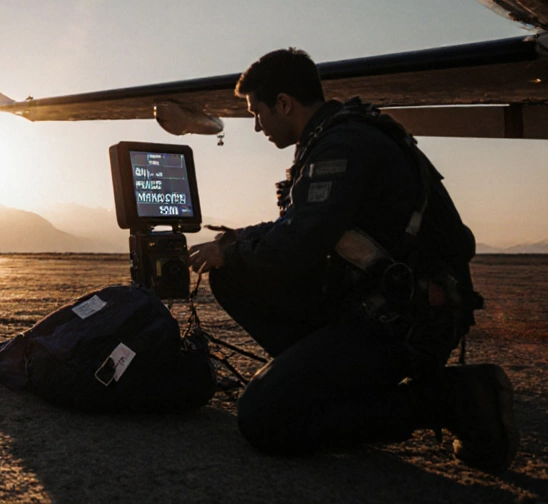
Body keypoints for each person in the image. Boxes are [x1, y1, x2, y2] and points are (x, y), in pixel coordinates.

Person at [188, 48, 518, 471]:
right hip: (378, 305)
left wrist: (233, 252)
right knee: (230, 271)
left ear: (284, 104)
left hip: (401, 321)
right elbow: (300, 222)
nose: (257, 126)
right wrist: (233, 244)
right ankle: (323, 384)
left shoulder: (341, 145)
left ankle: (449, 398)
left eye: (258, 113)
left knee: (265, 419)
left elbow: (298, 244)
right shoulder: (337, 136)